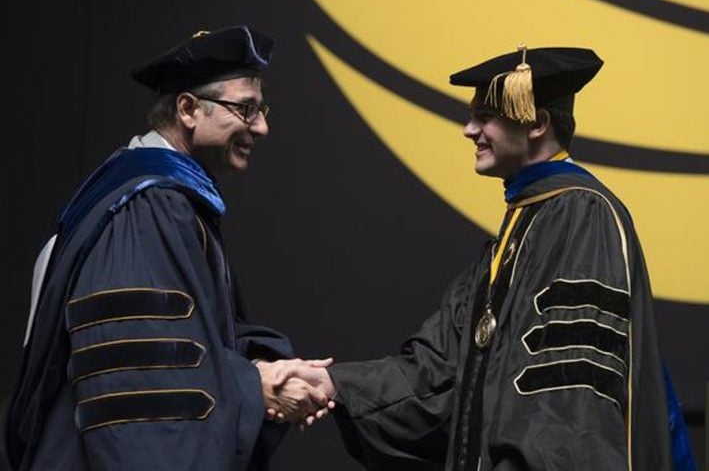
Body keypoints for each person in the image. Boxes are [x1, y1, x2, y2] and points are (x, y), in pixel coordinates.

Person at [283, 46, 693, 470]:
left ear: (536, 123)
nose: (468, 130)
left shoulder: (581, 214)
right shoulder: (518, 233)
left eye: (485, 117)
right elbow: (437, 372)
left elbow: (567, 400)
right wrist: (332, 384)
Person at [3, 25, 332, 471]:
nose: (262, 126)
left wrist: (263, 366)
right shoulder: (147, 210)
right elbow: (146, 390)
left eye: (262, 108)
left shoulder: (160, 196)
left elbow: (190, 343)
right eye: (246, 109)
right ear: (189, 109)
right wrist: (253, 386)